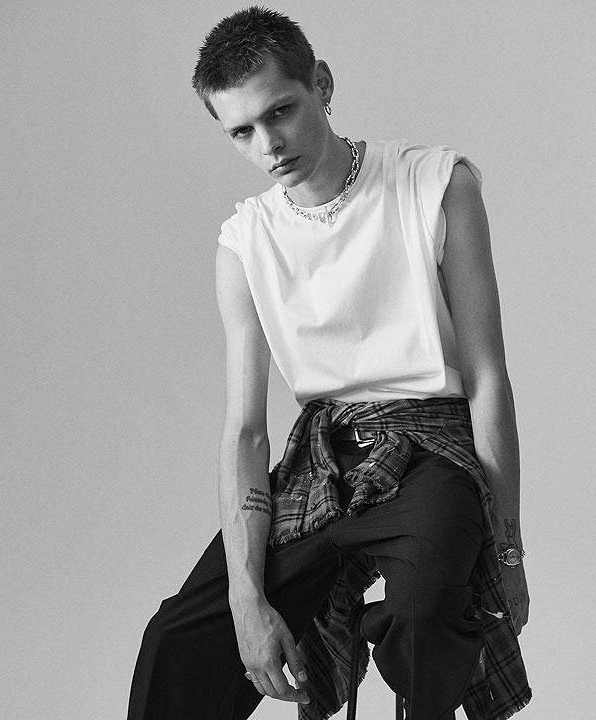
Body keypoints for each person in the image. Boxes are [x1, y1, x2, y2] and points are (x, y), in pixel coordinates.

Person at [127, 7, 532, 720]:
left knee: (424, 614)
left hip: (432, 450)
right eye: (242, 132)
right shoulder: (245, 244)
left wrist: (508, 555)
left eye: (279, 112)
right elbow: (246, 431)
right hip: (324, 458)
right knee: (176, 643)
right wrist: (246, 599)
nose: (268, 145)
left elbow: (488, 377)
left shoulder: (435, 184)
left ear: (322, 84)